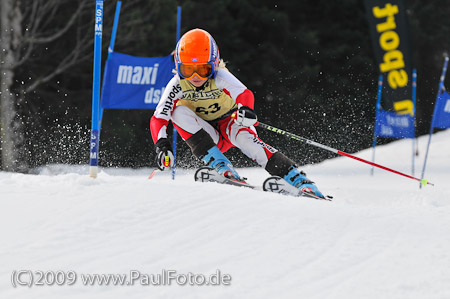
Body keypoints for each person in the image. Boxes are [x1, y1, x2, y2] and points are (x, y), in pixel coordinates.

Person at [150, 28, 324, 198]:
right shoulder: (177, 84)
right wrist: (162, 146)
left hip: (231, 125)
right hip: (208, 136)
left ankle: (298, 180)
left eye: (203, 69)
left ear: (214, 65)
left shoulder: (220, 77)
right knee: (177, 112)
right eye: (188, 70)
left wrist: (245, 111)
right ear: (178, 68)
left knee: (248, 142)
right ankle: (221, 165)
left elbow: (244, 94)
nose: (195, 76)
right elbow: (159, 118)